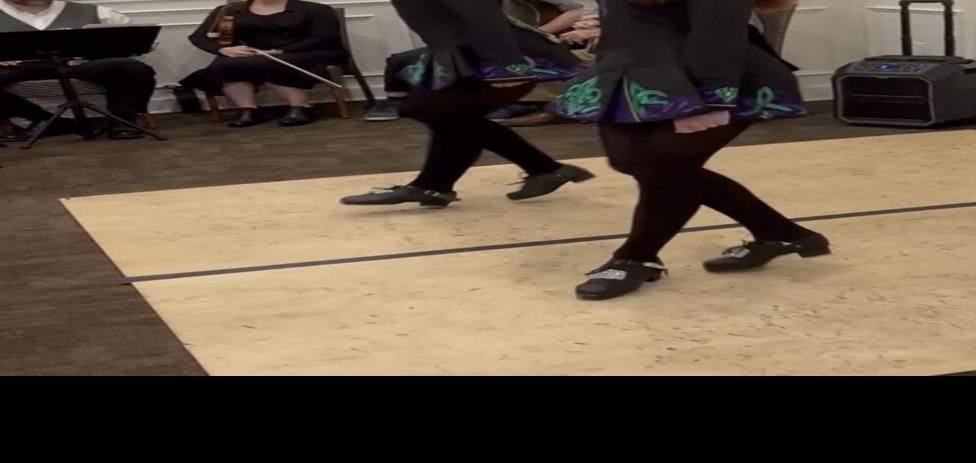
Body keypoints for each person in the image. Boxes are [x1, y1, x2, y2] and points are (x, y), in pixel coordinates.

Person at [552, 0, 830, 301]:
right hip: (630, 70)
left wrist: (711, 99)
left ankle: (635, 257)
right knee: (633, 161)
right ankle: (780, 233)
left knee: (663, 165)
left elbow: (719, 26)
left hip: (703, 77)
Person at [341, 0, 593, 207]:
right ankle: (435, 185)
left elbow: (483, 15)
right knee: (452, 116)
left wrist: (505, 66)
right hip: (470, 54)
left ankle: (434, 186)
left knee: (439, 111)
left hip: (504, 56)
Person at [0, 0, 155, 140]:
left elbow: (138, 40)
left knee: (132, 68)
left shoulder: (95, 11)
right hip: (17, 67)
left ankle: (123, 120)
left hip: (77, 65)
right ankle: (50, 121)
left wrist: (97, 53)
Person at [183, 0, 346, 127]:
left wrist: (279, 51)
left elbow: (324, 38)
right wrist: (223, 50)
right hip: (257, 54)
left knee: (267, 62)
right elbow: (199, 37)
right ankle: (248, 109)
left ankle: (302, 106)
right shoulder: (229, 10)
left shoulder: (316, 9)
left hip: (306, 52)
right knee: (224, 63)